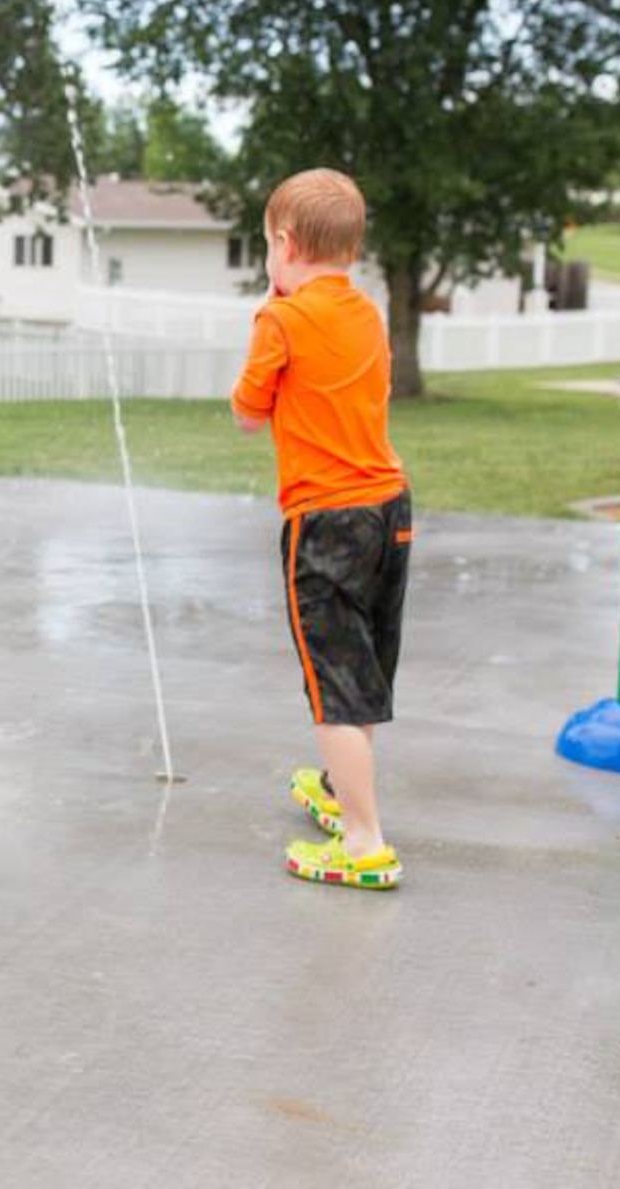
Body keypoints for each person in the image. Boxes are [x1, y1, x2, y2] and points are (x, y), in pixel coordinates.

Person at [230, 169, 412, 890]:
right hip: (390, 511)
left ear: (283, 243)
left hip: (326, 520)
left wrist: (265, 318)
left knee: (332, 684)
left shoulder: (280, 320)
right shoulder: (367, 313)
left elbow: (248, 414)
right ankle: (344, 794)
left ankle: (365, 842)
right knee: (360, 667)